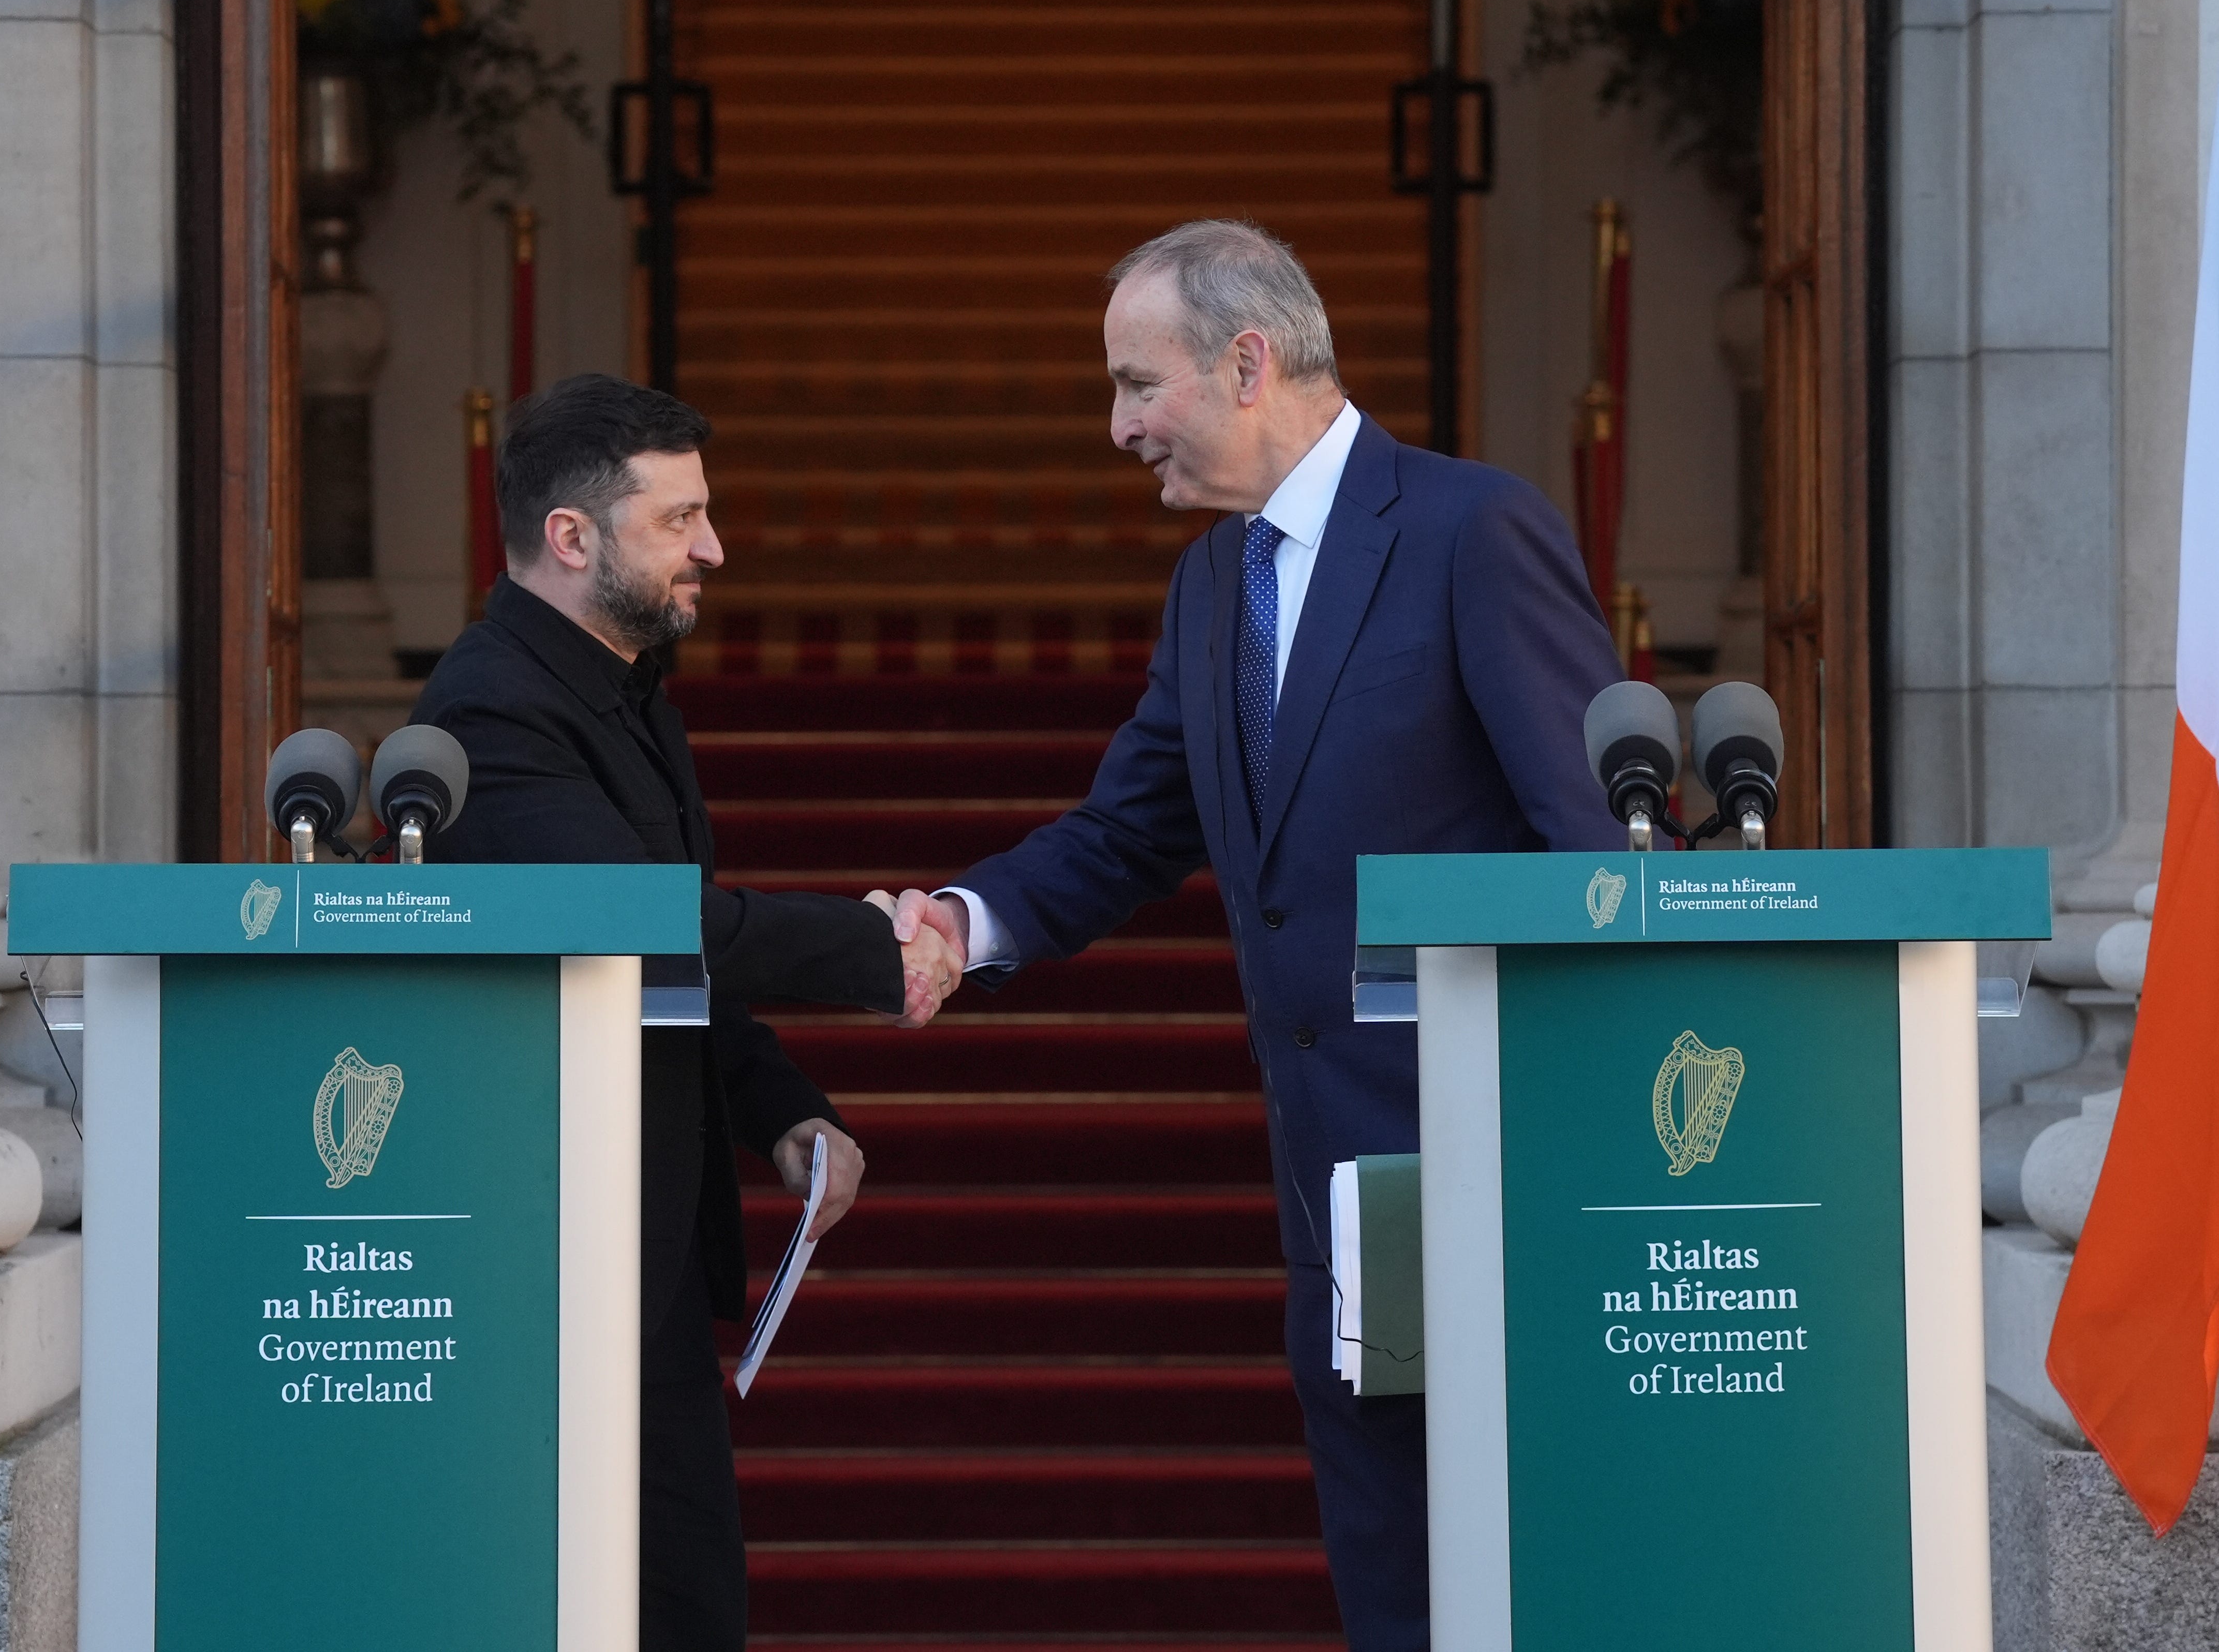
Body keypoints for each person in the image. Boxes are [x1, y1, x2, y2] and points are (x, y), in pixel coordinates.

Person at [892, 219, 1623, 1652]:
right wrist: (956, 926)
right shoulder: (1215, 582)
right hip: (1335, 1206)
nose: (1119, 429)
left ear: (1246, 363)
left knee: (1541, 1587)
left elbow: (1594, 852)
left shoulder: (1471, 531)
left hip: (1502, 1193)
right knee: (1396, 1590)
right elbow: (1127, 832)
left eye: (1135, 384)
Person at [412, 374, 965, 1652]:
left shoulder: (624, 688)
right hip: (551, 1262)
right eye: (680, 519)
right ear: (572, 537)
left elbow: (670, 971)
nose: (713, 548)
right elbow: (643, 925)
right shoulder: (493, 707)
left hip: (639, 1254)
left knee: (689, 1603)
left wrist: (783, 1112)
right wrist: (874, 948)